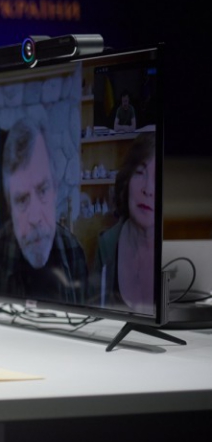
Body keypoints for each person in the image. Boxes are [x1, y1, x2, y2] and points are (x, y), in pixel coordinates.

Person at [0, 118, 88, 303]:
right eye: (22, 200)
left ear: (55, 190)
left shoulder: (74, 252)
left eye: (43, 190)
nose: (35, 217)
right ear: (10, 207)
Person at [90, 133, 156, 314]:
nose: (148, 189)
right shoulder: (107, 245)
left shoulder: (183, 249)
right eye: (140, 173)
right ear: (127, 181)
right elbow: (93, 316)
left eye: (159, 178)